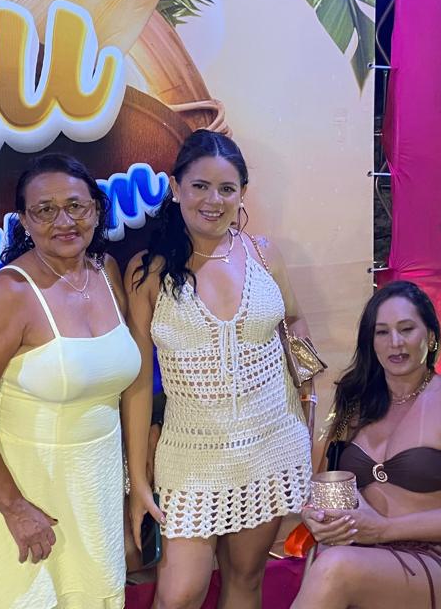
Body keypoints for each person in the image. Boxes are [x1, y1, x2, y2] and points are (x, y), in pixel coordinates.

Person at [125, 129, 311, 609]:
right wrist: (138, 477)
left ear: (242, 193)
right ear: (176, 188)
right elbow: (138, 381)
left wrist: (307, 391)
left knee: (245, 578)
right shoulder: (148, 271)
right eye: (200, 186)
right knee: (179, 593)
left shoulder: (263, 253)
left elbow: (293, 321)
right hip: (191, 457)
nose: (213, 200)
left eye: (227, 188)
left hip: (268, 445)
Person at [0, 154, 139, 608]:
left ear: (97, 209)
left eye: (76, 206)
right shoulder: (10, 293)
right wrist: (15, 508)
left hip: (94, 488)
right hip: (26, 495)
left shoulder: (106, 272)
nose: (64, 221)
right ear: (24, 222)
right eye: (45, 210)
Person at [291, 281, 441, 609]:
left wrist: (384, 530)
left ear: (431, 336)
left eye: (406, 329)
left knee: (335, 567)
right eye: (382, 332)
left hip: (437, 556)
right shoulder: (356, 401)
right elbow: (326, 483)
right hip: (364, 552)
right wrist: (313, 516)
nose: (395, 342)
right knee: (330, 556)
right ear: (370, 341)